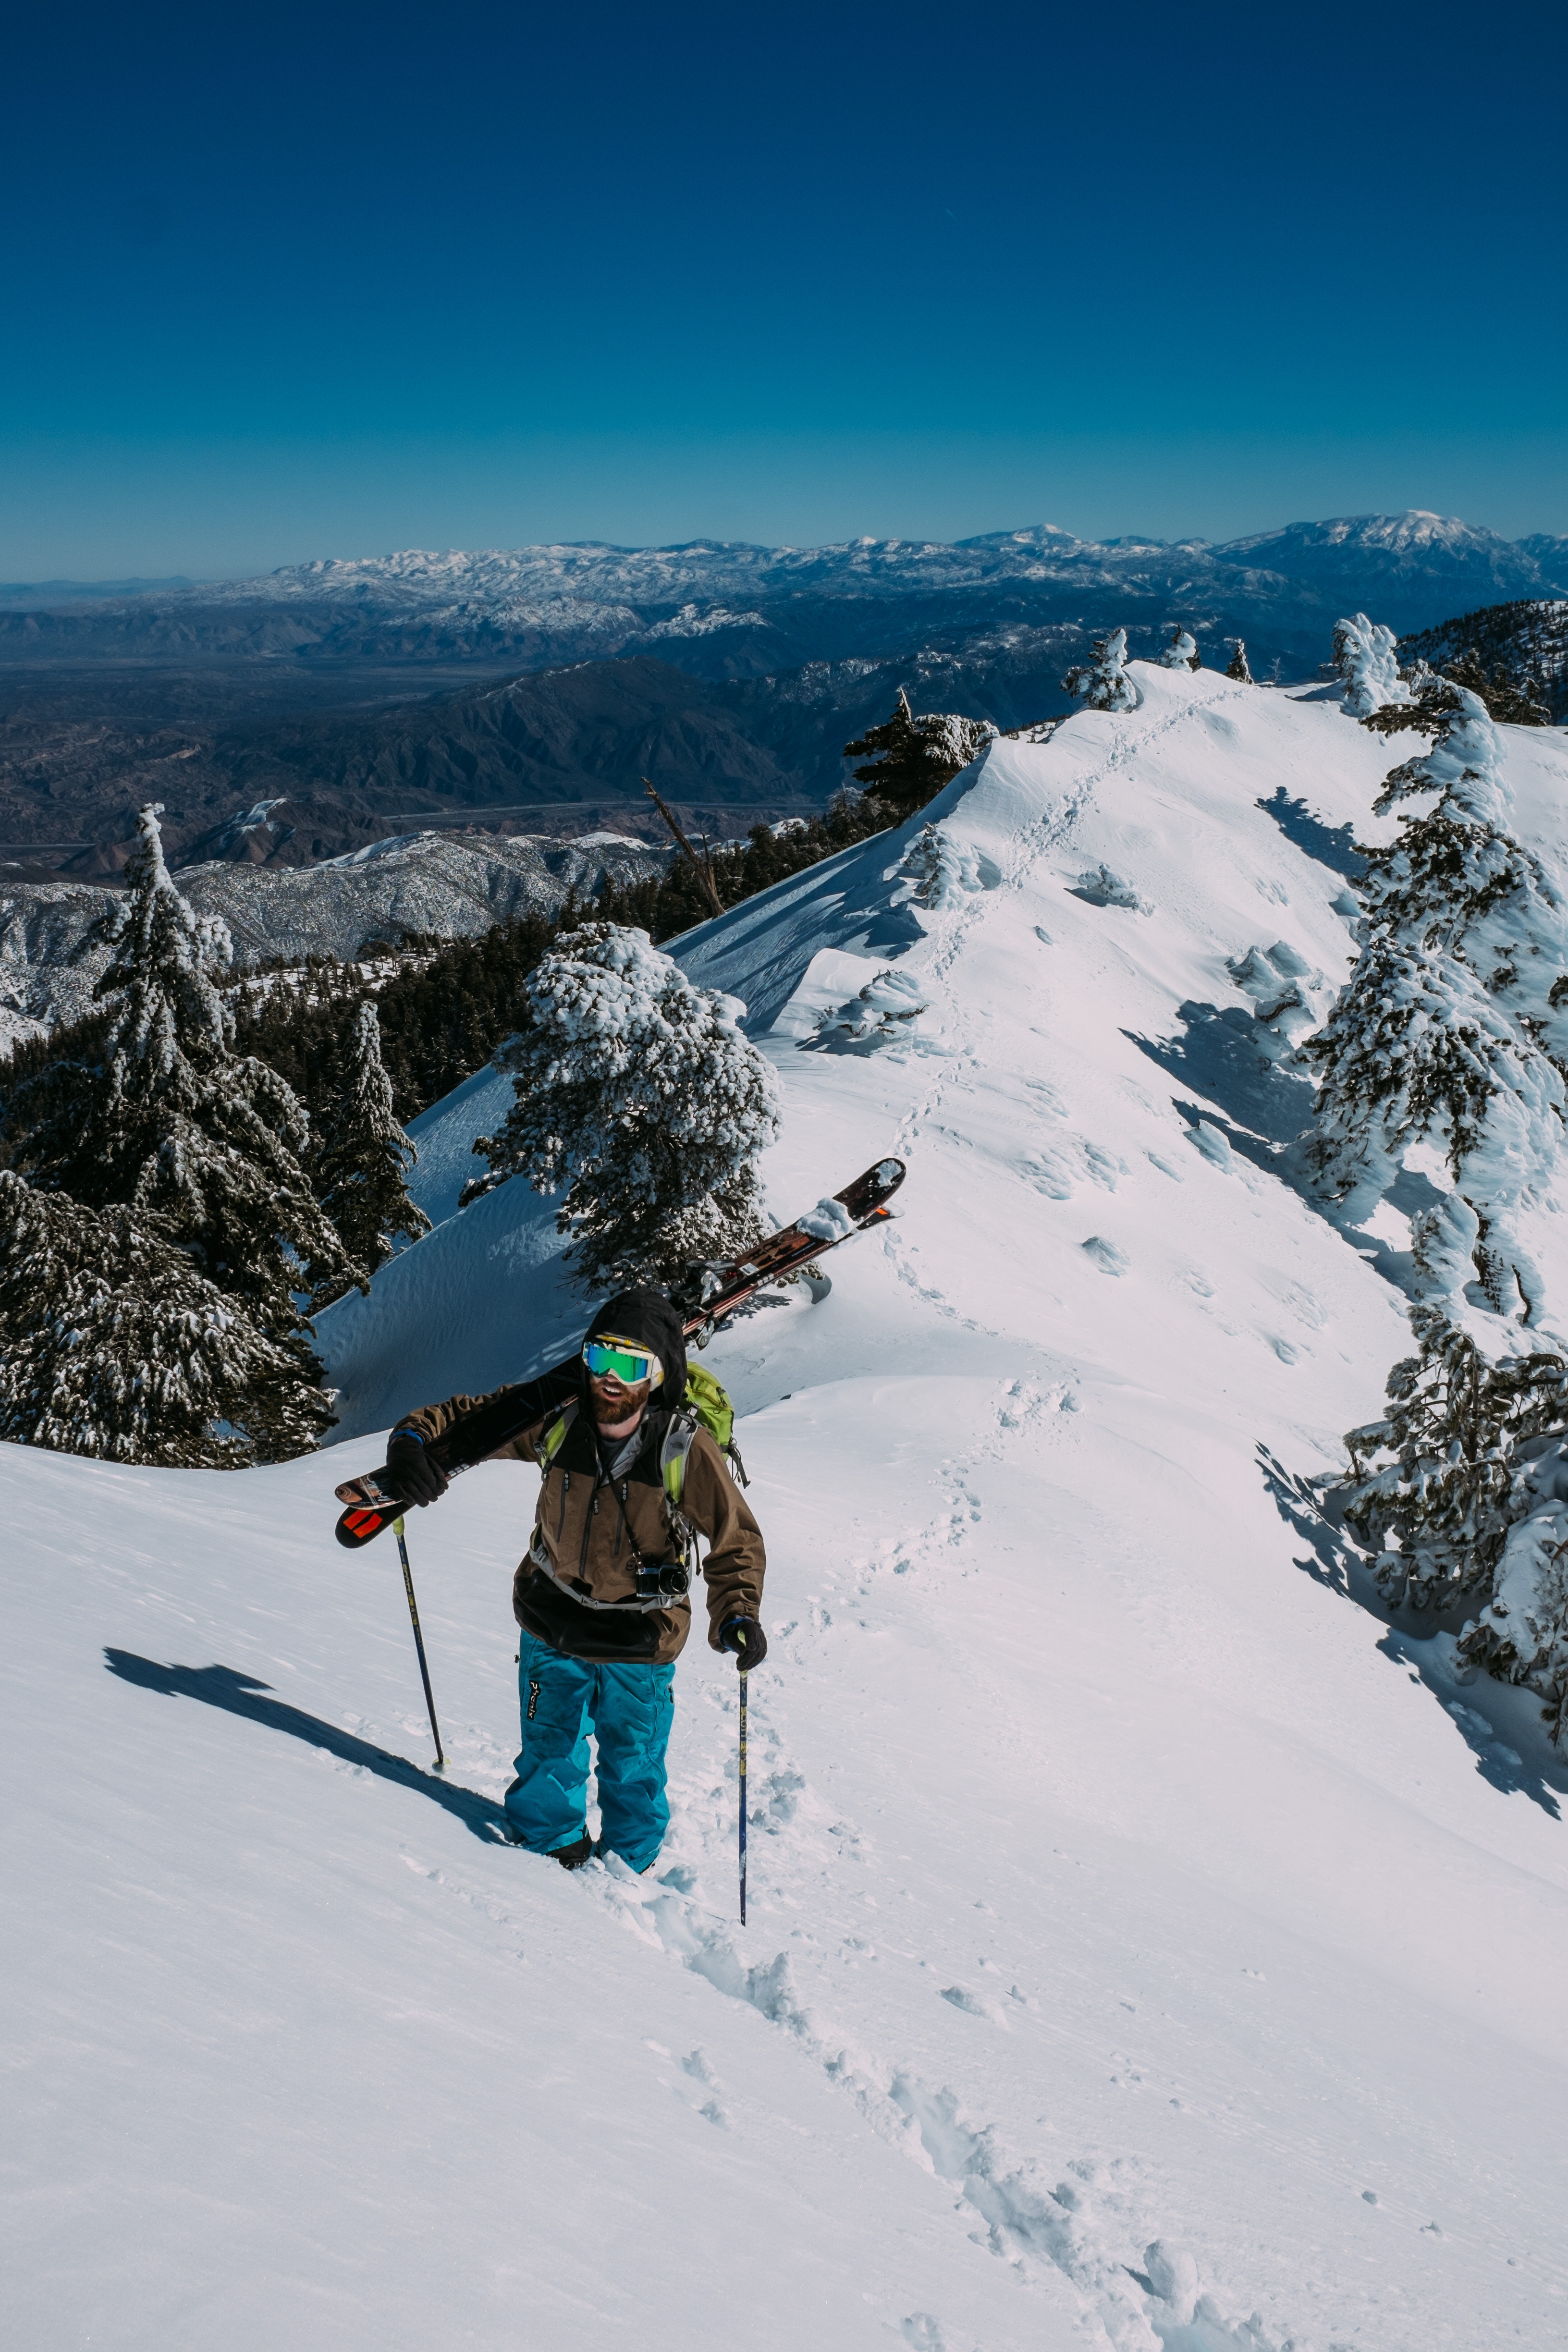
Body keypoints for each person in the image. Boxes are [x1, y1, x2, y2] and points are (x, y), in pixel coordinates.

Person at [383, 1286, 766, 1873]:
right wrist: (412, 1440)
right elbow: (469, 1419)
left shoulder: (681, 1449)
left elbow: (735, 1536)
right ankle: (548, 1857)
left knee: (634, 1767)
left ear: (656, 1377)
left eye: (629, 1366)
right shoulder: (557, 1420)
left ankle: (629, 1873)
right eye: (599, 1358)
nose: (610, 1378)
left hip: (640, 1640)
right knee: (548, 1754)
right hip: (552, 1620)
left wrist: (738, 1612)